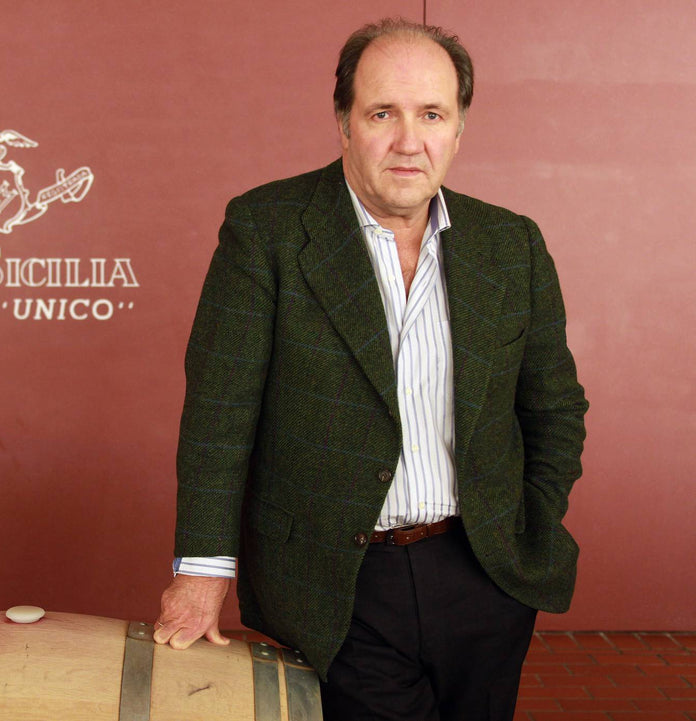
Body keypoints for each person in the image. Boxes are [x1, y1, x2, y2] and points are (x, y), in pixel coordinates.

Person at [152, 17, 589, 721]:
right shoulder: (267, 231)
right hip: (338, 583)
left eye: (432, 114)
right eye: (383, 112)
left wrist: (527, 522)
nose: (409, 140)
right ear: (344, 123)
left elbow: (555, 409)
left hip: (487, 573)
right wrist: (203, 572)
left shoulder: (512, 244)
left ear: (459, 129)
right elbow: (219, 415)